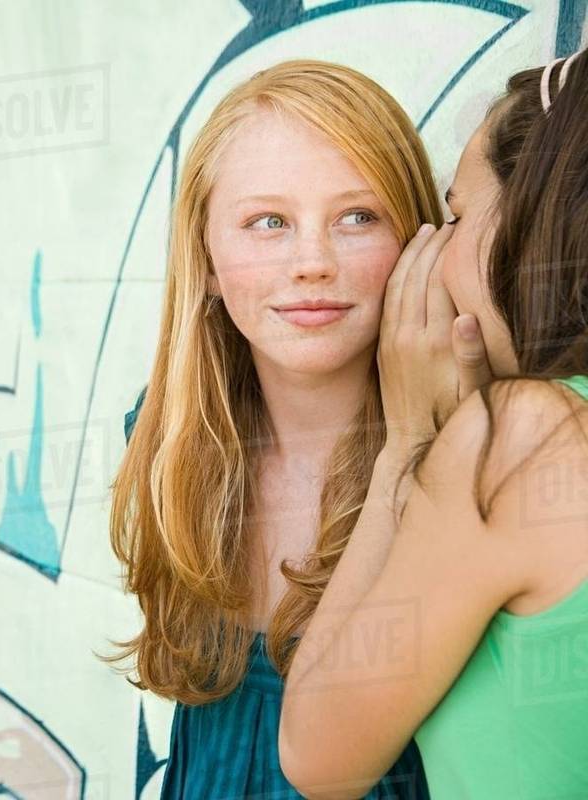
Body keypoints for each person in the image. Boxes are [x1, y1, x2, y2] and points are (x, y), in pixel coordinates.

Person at [108, 60, 474, 798]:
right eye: (268, 222)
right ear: (206, 258)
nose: (312, 262)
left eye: (358, 216)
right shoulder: (170, 441)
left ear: (419, 241)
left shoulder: (466, 458)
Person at [280, 53, 588, 799]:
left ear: (533, 215)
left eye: (455, 216)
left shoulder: (528, 440)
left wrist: (411, 443)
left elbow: (318, 759)